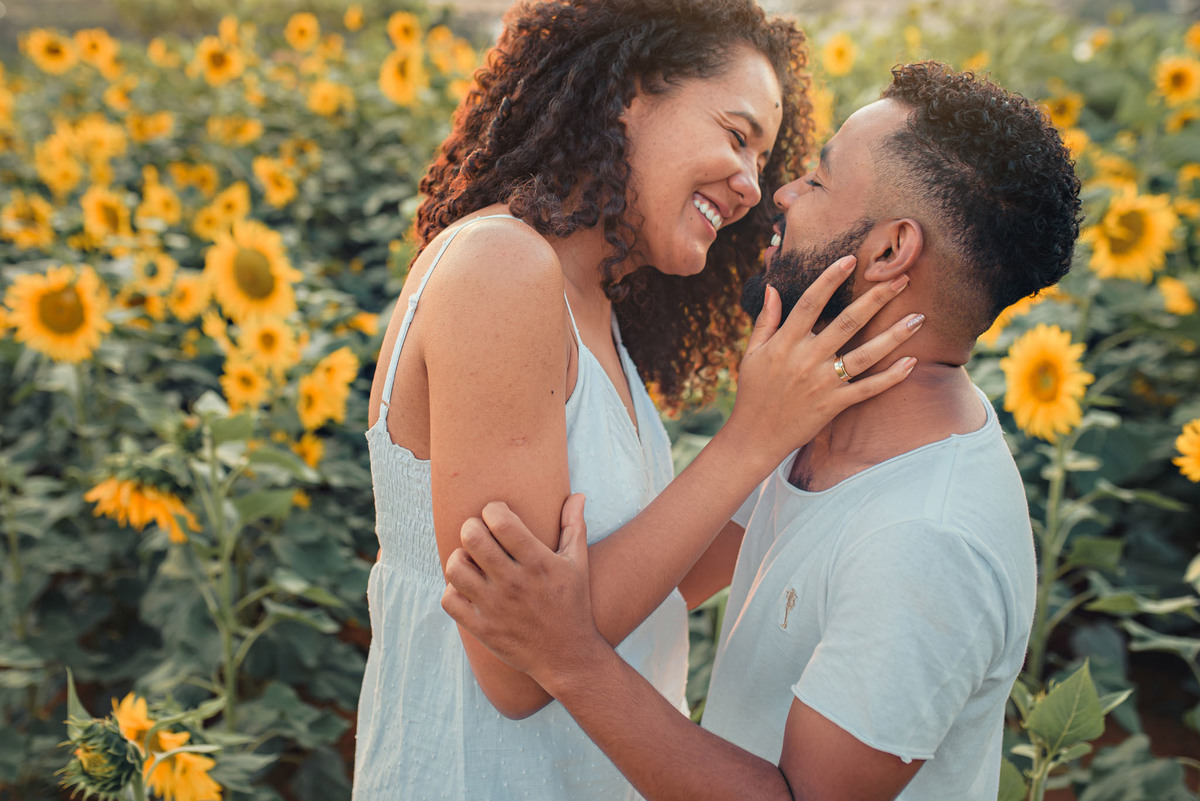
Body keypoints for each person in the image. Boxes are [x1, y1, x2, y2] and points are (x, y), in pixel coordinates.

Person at [441, 61, 1084, 800]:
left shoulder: (930, 539)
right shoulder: (823, 420)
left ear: (887, 252)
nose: (779, 192)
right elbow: (663, 577)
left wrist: (568, 658)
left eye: (817, 178)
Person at [352, 1, 926, 798]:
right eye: (736, 135)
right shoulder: (502, 268)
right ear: (628, 90)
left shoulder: (590, 303)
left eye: (763, 157)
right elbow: (517, 664)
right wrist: (751, 438)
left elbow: (635, 593)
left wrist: (809, 430)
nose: (751, 186)